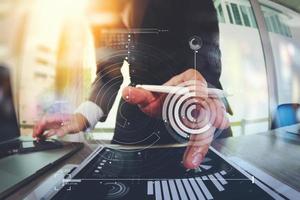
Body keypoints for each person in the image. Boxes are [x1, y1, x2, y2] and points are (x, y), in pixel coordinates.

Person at [33, 0, 230, 169]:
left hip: (192, 113)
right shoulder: (100, 8)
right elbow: (108, 73)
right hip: (135, 115)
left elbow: (206, 52)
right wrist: (82, 116)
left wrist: (202, 88)